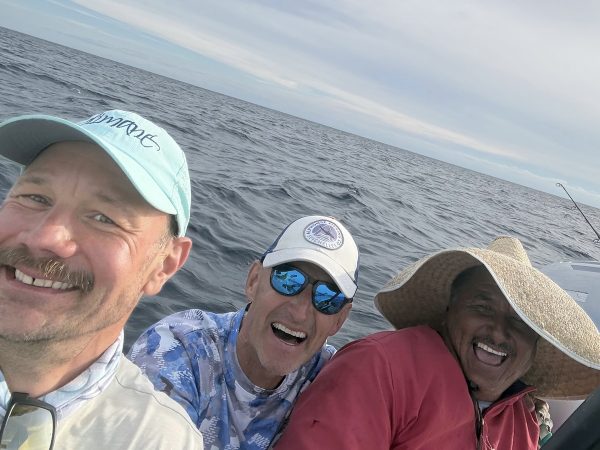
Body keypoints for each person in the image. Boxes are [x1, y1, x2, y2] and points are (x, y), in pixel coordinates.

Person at [276, 236, 600, 450]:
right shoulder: (379, 368)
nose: (499, 332)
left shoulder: (523, 420)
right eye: (483, 307)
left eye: (520, 322)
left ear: (536, 343)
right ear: (449, 311)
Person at [0, 110, 204, 449]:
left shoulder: (160, 442)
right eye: (35, 198)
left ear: (164, 266)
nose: (45, 237)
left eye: (103, 218)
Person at [129, 215, 359, 449]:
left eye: (327, 298)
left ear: (339, 320)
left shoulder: (333, 380)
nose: (300, 313)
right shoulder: (177, 350)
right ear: (254, 281)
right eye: (288, 280)